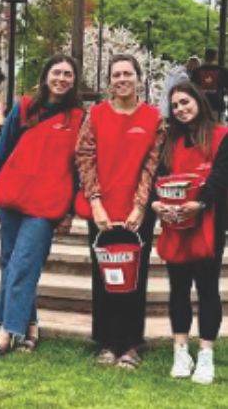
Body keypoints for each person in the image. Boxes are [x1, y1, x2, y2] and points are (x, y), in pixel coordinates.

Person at [0, 54, 84, 357]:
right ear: (46, 75)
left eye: (68, 74)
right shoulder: (25, 107)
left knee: (23, 265)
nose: (62, 79)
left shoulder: (78, 118)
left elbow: (79, 167)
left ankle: (5, 334)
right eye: (57, 72)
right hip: (12, 198)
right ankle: (31, 325)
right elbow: (3, 148)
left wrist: (70, 210)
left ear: (74, 81)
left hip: (47, 205)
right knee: (11, 263)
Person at [75, 54, 164, 370]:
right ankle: (107, 342)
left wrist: (140, 206)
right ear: (109, 81)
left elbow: (152, 166)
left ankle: (130, 344)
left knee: (134, 279)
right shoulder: (95, 115)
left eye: (128, 73)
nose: (122, 79)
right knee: (104, 278)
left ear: (138, 79)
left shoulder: (153, 118)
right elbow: (84, 158)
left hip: (136, 213)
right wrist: (95, 202)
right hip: (102, 210)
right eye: (116, 75)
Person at [152, 81, 228, 384]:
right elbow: (158, 175)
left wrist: (200, 203)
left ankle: (206, 354)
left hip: (209, 219)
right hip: (175, 221)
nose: (181, 109)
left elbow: (221, 176)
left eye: (186, 102)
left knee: (207, 287)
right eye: (176, 106)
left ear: (198, 101)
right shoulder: (168, 141)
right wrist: (157, 204)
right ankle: (180, 351)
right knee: (179, 287)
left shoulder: (221, 135)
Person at [190, 48, 228, 121]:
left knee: (202, 130)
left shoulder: (196, 71)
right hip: (217, 105)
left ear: (205, 56)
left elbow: (192, 89)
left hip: (201, 106)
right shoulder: (222, 71)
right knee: (218, 130)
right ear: (215, 57)